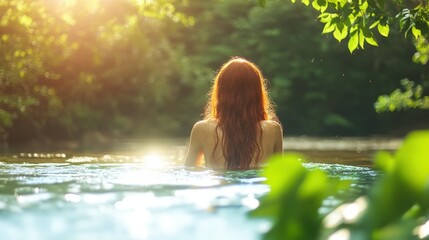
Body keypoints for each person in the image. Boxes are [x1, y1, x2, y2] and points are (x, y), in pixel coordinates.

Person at [184, 57, 283, 170]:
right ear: (257, 93)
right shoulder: (273, 129)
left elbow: (189, 171)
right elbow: (279, 173)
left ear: (220, 91)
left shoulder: (201, 129)